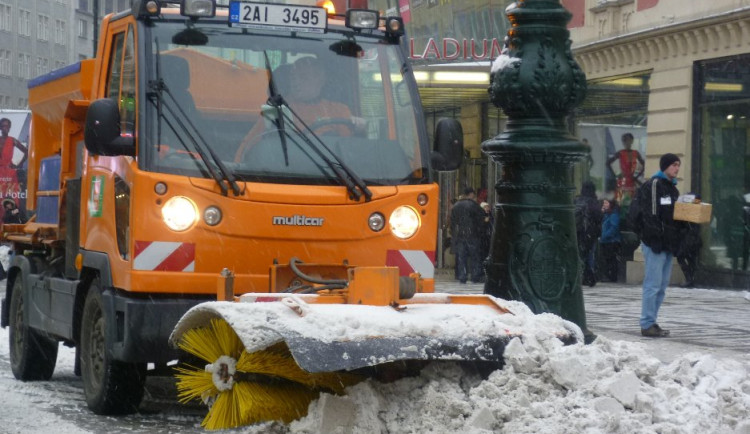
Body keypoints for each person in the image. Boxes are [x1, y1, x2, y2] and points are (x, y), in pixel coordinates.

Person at [236, 56, 364, 159]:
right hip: (284, 172)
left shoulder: (339, 110)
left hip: (329, 174)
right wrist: (237, 169)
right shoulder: (276, 109)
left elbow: (348, 154)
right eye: (293, 77)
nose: (296, 81)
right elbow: (249, 144)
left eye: (303, 77)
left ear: (321, 80)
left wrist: (360, 129)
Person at [635, 153, 685, 337]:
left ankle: (652, 322)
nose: (676, 168)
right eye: (673, 165)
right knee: (653, 284)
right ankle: (647, 323)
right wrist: (654, 238)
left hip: (667, 244)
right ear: (665, 166)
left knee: (661, 286)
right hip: (655, 243)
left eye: (678, 165)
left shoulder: (672, 189)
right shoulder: (655, 184)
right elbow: (652, 214)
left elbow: (672, 218)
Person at [450, 187, 485, 284]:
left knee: (462, 257)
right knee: (475, 256)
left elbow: (452, 222)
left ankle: (462, 276)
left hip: (460, 235)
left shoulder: (456, 206)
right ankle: (475, 276)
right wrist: (479, 231)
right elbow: (481, 218)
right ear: (471, 195)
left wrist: (454, 233)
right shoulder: (474, 205)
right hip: (473, 235)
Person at [574, 181, 603, 287]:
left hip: (577, 232)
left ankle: (579, 275)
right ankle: (588, 277)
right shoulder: (593, 202)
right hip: (589, 233)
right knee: (589, 255)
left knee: (579, 253)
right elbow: (599, 217)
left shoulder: (576, 200)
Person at [606, 133, 644, 208]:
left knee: (632, 203)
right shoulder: (620, 153)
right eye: (625, 141)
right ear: (623, 142)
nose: (627, 142)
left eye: (629, 140)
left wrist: (637, 177)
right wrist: (615, 175)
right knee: (619, 203)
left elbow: (644, 165)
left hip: (631, 181)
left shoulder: (635, 153)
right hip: (622, 182)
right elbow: (608, 163)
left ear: (632, 141)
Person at [600, 198, 622, 282]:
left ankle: (611, 276)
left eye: (606, 203)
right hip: (606, 241)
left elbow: (614, 228)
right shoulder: (606, 214)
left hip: (611, 241)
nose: (604, 205)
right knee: (607, 259)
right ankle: (608, 275)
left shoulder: (613, 214)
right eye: (604, 203)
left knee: (611, 260)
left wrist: (605, 236)